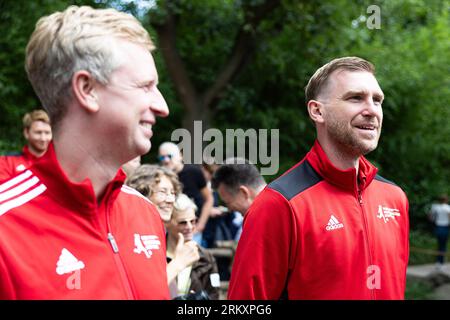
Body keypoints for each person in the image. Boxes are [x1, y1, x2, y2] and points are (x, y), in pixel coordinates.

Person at [0, 5, 171, 299]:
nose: (162, 106)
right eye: (145, 86)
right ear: (87, 89)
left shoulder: (145, 213)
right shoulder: (7, 229)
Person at [228, 57, 410, 300]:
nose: (371, 110)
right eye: (355, 98)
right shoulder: (279, 203)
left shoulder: (394, 198)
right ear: (317, 111)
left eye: (377, 100)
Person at [126, 164, 200, 283]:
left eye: (172, 193)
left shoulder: (153, 230)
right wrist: (179, 262)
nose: (171, 200)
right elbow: (147, 288)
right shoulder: (133, 233)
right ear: (142, 193)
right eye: (163, 192)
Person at [166, 194, 220, 299]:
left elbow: (214, 295)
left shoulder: (206, 257)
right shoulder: (156, 254)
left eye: (193, 221)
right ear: (168, 222)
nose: (189, 227)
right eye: (182, 222)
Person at [158, 142, 214, 243]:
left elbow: (209, 199)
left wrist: (200, 225)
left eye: (169, 156)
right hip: (171, 229)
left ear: (180, 156)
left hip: (192, 227)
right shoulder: (161, 177)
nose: (166, 160)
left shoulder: (193, 172)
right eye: (162, 158)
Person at [0, 109, 52, 182]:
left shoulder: (59, 164)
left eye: (47, 133)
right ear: (26, 133)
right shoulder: (7, 161)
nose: (43, 138)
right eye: (38, 133)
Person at [428, 194, 450, 269]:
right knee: (443, 245)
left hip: (438, 227)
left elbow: (430, 217)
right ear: (446, 200)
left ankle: (438, 261)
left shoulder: (436, 207)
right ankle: (441, 262)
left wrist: (434, 221)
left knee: (439, 244)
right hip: (445, 227)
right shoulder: (447, 208)